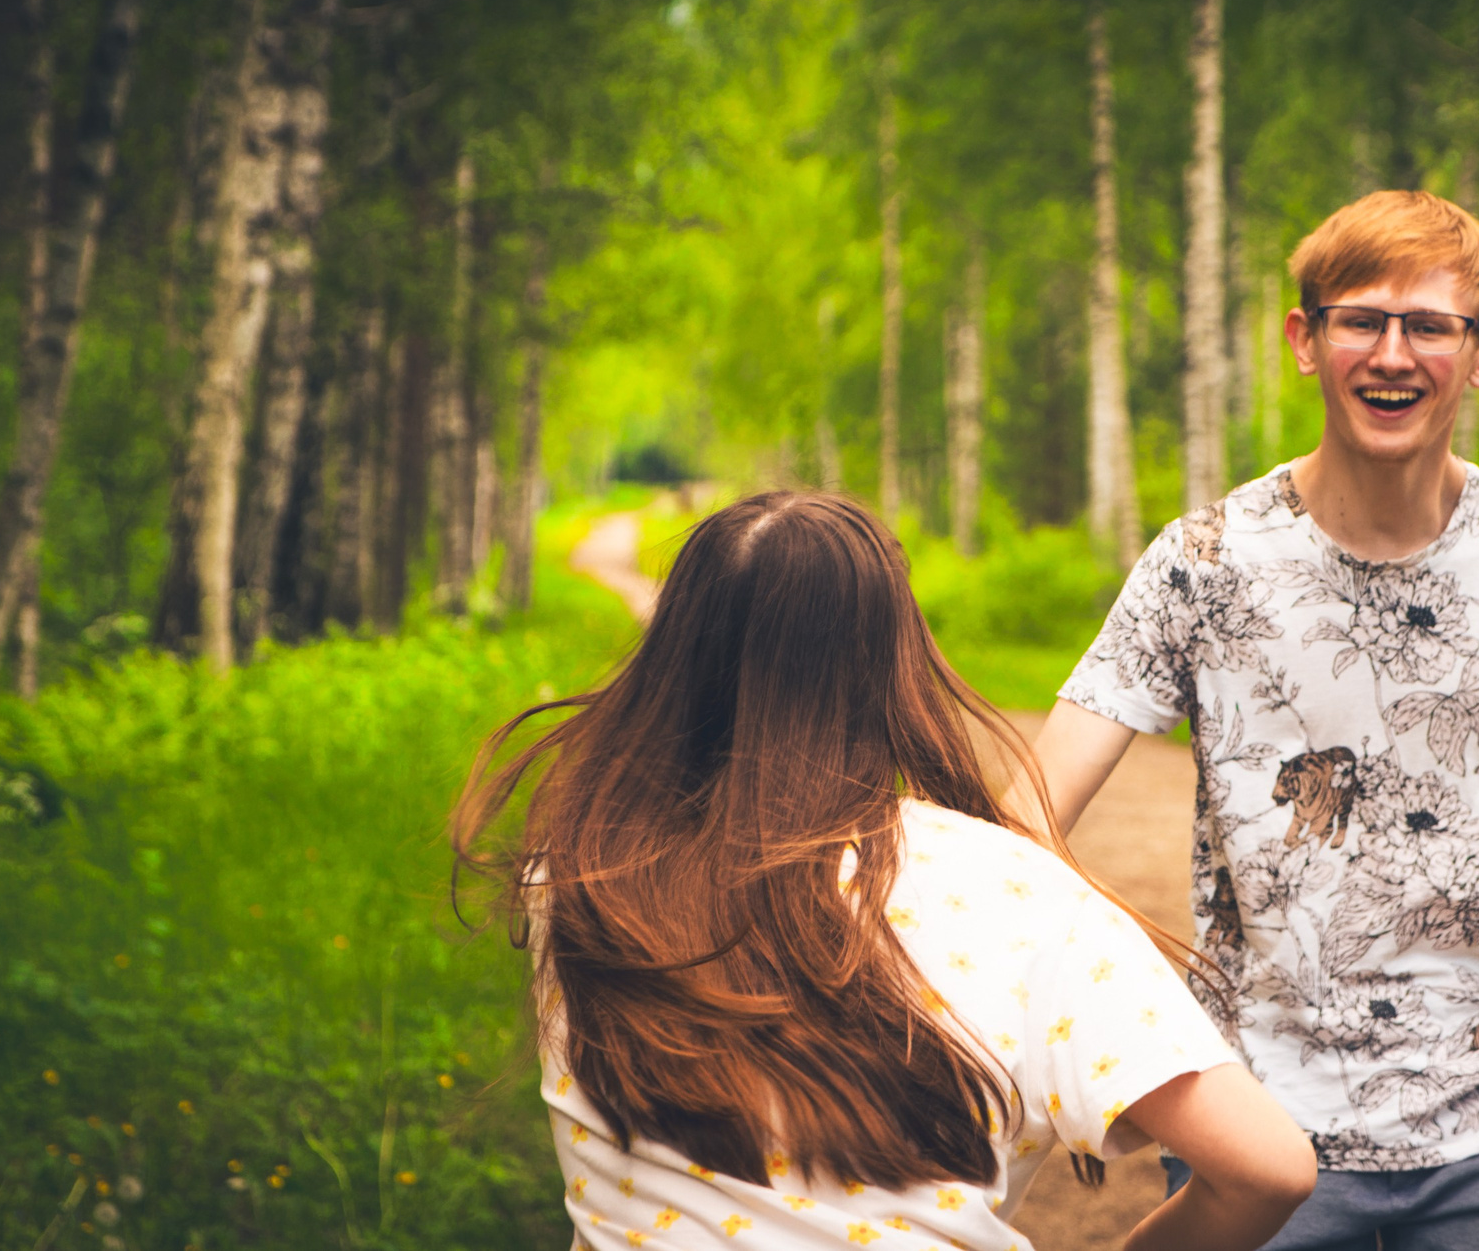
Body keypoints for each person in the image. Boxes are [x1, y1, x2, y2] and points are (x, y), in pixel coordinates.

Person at [1028, 190, 1479, 1250]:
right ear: (1304, 340)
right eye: (1361, 321)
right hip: (1256, 1135)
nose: (1392, 354)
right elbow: (1025, 823)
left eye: (1429, 326)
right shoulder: (1204, 564)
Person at [451, 492, 1317, 1251]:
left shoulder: (578, 878)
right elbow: (1269, 1169)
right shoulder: (1021, 899)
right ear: (895, 664)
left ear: (675, 655)